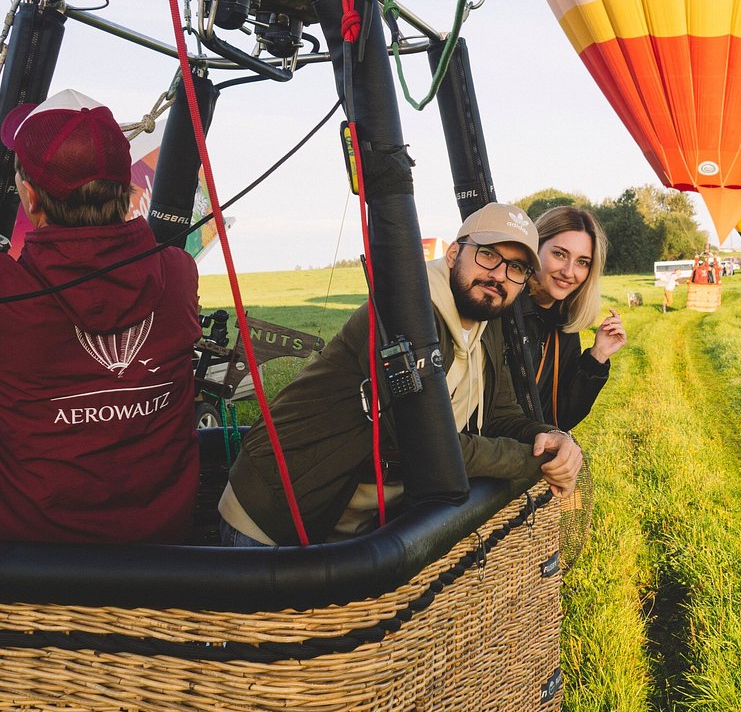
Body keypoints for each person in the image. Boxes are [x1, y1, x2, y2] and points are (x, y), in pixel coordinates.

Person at [218, 202, 583, 546]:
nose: (498, 275)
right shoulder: (406, 314)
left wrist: (549, 438)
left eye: (516, 268)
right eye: (488, 254)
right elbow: (426, 445)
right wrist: (533, 460)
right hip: (277, 509)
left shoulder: (490, 322)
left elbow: (502, 414)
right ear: (455, 253)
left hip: (347, 520)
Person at [0, 89, 200, 543]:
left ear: (30, 198)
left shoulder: (8, 293)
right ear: (127, 190)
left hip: (34, 560)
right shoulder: (178, 272)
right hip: (165, 546)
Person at [515, 206, 626, 431]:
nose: (569, 271)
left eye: (582, 262)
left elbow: (562, 417)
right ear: (534, 249)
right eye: (559, 254)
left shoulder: (563, 324)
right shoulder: (504, 309)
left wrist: (598, 355)